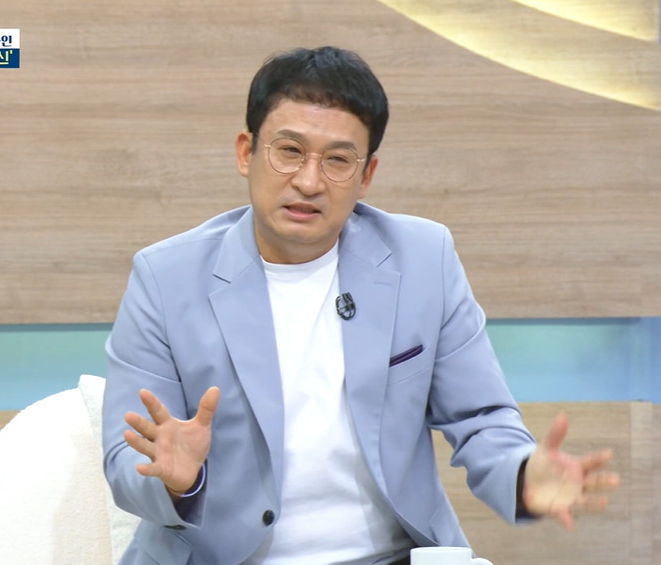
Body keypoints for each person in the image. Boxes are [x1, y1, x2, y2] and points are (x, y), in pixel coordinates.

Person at [102, 46, 619, 565]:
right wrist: (177, 482)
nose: (309, 181)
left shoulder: (422, 259)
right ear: (246, 152)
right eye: (289, 151)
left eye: (337, 160)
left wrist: (523, 473)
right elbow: (127, 458)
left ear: (366, 174)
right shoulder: (166, 279)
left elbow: (481, 418)